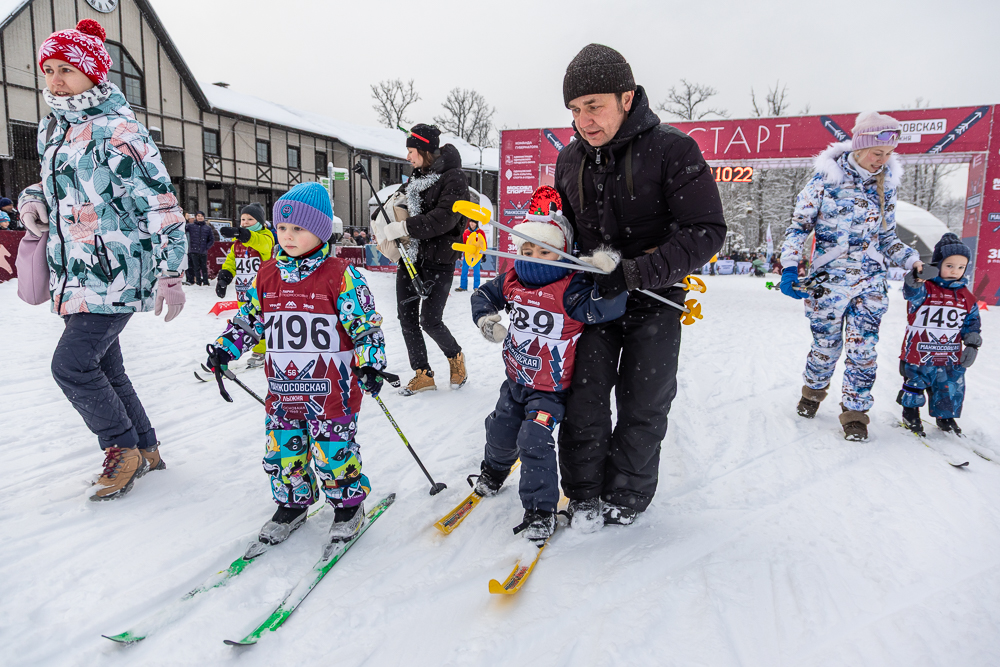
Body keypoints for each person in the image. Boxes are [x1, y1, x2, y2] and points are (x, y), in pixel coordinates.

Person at [553, 44, 726, 529]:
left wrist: (633, 272)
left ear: (626, 98)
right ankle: (584, 491)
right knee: (583, 397)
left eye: (594, 105)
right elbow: (562, 229)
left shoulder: (673, 149)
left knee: (643, 402)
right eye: (574, 109)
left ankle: (627, 493)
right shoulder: (569, 159)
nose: (584, 120)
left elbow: (707, 230)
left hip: (655, 296)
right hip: (594, 300)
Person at [17, 19, 186, 501]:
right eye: (48, 69)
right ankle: (146, 448)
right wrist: (32, 203)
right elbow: (53, 188)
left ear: (93, 74)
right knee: (107, 369)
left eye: (66, 69)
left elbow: (160, 203)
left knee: (71, 366)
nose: (54, 80)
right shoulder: (57, 129)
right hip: (76, 274)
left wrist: (172, 270)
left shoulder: (120, 130)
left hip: (115, 271)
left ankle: (121, 447)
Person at [205, 182, 389, 551]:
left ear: (319, 231)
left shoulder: (341, 275)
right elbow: (250, 320)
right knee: (284, 450)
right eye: (282, 228)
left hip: (331, 389)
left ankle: (348, 505)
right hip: (284, 388)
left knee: (333, 451)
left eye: (298, 229)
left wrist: (370, 365)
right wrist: (226, 348)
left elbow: (366, 326)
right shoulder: (267, 274)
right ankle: (292, 503)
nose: (287, 236)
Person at [469, 187, 627, 541]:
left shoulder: (571, 287)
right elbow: (481, 295)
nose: (535, 257)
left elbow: (607, 308)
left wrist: (608, 276)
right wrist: (486, 320)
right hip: (516, 380)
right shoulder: (511, 278)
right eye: (528, 249)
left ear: (563, 253)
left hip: (550, 390)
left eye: (545, 250)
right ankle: (493, 472)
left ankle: (540, 511)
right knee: (499, 428)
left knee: (534, 438)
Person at [779, 112, 921, 441]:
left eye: (888, 155)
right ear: (860, 148)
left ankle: (855, 413)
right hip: (827, 283)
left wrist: (911, 261)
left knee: (863, 350)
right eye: (877, 153)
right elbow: (799, 228)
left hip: (870, 283)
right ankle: (812, 392)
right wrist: (789, 266)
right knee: (826, 347)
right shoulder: (824, 180)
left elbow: (887, 240)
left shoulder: (886, 187)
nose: (882, 161)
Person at [381, 123, 470, 395]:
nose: (408, 157)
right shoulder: (415, 178)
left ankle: (455, 357)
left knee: (430, 320)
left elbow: (445, 218)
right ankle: (423, 373)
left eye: (411, 151)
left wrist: (406, 227)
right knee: (406, 317)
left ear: (424, 149)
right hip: (410, 257)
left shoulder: (453, 177)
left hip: (439, 260)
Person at [897, 234, 981, 436]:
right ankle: (911, 413)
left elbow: (972, 323)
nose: (955, 271)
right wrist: (916, 276)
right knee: (915, 384)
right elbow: (911, 290)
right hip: (919, 353)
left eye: (961, 267)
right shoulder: (924, 288)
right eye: (950, 265)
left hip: (950, 355)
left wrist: (971, 344)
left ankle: (946, 417)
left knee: (949, 386)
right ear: (938, 264)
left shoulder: (966, 297)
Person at [215, 203, 274, 368]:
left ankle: (262, 351)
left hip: (260, 290)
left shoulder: (265, 237)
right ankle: (236, 347)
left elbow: (258, 242)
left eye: (250, 219)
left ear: (260, 221)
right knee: (243, 321)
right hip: (242, 290)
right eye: (242, 219)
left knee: (259, 321)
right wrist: (224, 279)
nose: (245, 221)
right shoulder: (237, 244)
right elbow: (230, 263)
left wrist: (241, 233)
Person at [455, 218, 485, 292]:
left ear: (476, 223)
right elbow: (463, 243)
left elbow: (483, 244)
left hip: (477, 255)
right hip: (467, 255)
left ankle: (476, 287)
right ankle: (463, 286)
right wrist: (460, 253)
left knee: (476, 271)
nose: (472, 224)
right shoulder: (466, 232)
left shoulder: (481, 232)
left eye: (473, 222)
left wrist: (484, 254)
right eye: (471, 222)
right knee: (464, 270)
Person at [186, 211, 214, 286]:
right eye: (198, 216)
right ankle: (198, 281)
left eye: (201, 216)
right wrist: (186, 219)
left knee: (204, 267)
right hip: (193, 250)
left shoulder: (207, 228)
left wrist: (206, 247)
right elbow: (183, 228)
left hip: (203, 251)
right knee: (196, 267)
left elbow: (211, 239)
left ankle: (205, 281)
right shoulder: (191, 226)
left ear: (204, 217)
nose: (200, 217)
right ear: (196, 217)